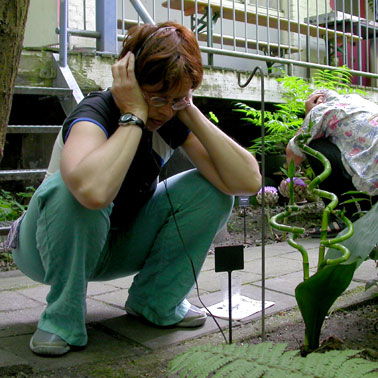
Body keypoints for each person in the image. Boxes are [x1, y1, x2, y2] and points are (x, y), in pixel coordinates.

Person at [8, 21, 261, 356]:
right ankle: (62, 316)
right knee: (73, 189)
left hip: (113, 246)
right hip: (44, 250)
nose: (164, 110)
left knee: (214, 190)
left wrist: (189, 110)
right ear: (129, 76)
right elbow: (93, 192)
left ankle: (155, 301)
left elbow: (247, 182)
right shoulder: (94, 111)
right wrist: (134, 116)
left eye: (176, 99)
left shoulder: (171, 116)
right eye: (157, 97)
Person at [286, 89, 378, 235]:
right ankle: (366, 212)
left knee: (313, 146)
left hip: (372, 175)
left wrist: (309, 113)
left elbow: (292, 157)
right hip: (373, 171)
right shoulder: (358, 102)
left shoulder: (321, 110)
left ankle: (343, 215)